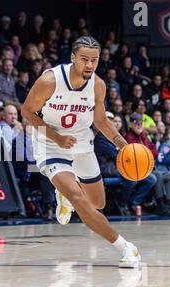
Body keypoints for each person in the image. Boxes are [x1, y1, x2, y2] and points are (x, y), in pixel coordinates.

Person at [21, 36, 141, 268]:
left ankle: (65, 195)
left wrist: (124, 145)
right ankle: (126, 247)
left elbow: (101, 121)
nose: (89, 65)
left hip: (83, 143)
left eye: (94, 60)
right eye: (84, 59)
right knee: (79, 199)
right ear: (73, 58)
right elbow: (27, 111)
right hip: (50, 143)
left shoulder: (98, 85)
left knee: (97, 202)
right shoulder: (49, 80)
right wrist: (57, 137)